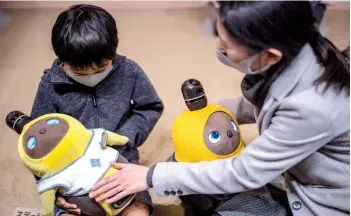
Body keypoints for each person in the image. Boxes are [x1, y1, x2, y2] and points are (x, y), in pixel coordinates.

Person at [89, 1, 350, 216]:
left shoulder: (311, 107)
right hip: (286, 171)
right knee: (182, 161)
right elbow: (258, 102)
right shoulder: (301, 47)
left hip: (316, 201)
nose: (219, 49)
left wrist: (150, 176)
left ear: (270, 55)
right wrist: (206, 117)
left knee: (181, 177)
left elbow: (245, 171)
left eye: (226, 46)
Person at [30, 4, 164, 216]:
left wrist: (124, 137)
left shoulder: (130, 72)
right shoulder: (50, 85)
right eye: (79, 71)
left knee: (138, 210)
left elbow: (150, 108)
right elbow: (37, 142)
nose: (91, 76)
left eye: (100, 69)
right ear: (63, 60)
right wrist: (54, 192)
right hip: (72, 170)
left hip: (120, 162)